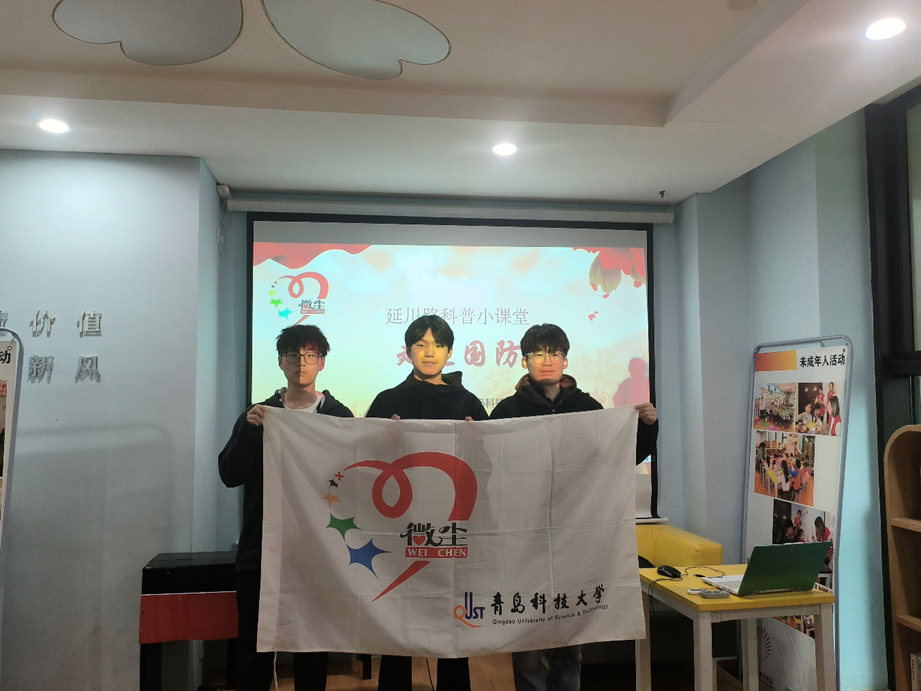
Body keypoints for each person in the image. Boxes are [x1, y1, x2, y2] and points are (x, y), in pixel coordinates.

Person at [489, 324, 658, 691]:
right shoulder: (507, 410)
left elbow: (619, 455)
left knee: (572, 630)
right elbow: (487, 466)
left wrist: (646, 427)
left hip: (575, 535)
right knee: (525, 632)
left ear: (565, 360)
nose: (546, 360)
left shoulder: (588, 407)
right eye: (538, 354)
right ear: (524, 360)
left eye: (554, 353)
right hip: (524, 537)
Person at [219, 324, 354, 691]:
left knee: (312, 649)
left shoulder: (339, 417)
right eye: (294, 355)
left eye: (310, 355)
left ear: (322, 362)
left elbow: (356, 481)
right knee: (255, 650)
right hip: (262, 552)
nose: (301, 363)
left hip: (318, 551)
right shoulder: (259, 415)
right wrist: (248, 433)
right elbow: (229, 474)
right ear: (280, 361)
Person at [366, 315, 487, 691]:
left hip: (453, 529)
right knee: (397, 628)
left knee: (453, 628)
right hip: (400, 531)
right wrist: (384, 441)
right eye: (420, 344)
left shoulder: (467, 402)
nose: (429, 351)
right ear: (407, 351)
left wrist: (475, 443)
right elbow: (364, 464)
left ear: (450, 352)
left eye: (437, 345)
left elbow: (488, 466)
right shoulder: (388, 400)